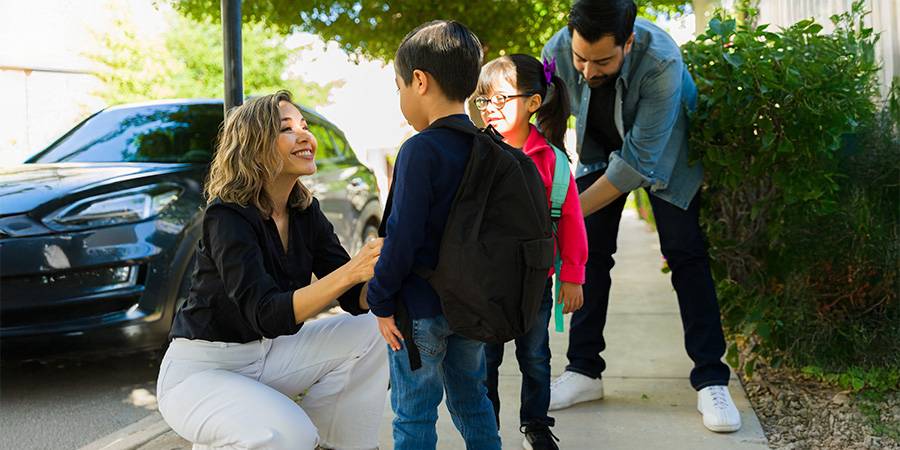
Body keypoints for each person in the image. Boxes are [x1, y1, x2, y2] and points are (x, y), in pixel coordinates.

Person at [541, 0, 742, 433]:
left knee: (685, 252)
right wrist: (548, 190)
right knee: (589, 252)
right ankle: (583, 371)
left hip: (666, 151)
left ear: (628, 43)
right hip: (597, 150)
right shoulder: (554, 51)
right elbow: (549, 122)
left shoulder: (662, 59)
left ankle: (711, 379)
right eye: (580, 58)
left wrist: (564, 213)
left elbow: (637, 162)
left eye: (602, 60)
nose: (588, 71)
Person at [156, 91, 389, 450]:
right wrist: (351, 271)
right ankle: (247, 432)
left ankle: (338, 443)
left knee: (372, 329)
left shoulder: (305, 212)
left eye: (304, 126)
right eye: (286, 128)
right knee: (289, 434)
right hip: (200, 373)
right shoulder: (227, 216)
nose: (304, 135)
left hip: (264, 358)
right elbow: (265, 312)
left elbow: (354, 298)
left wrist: (389, 271)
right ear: (256, 146)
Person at [365, 20, 502, 450]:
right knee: (473, 400)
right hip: (473, 306)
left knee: (414, 415)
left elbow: (401, 238)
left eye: (399, 85)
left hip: (419, 312)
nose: (401, 96)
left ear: (419, 81)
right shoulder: (491, 148)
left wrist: (380, 299)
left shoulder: (419, 150)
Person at [473, 53, 588, 450]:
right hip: (487, 283)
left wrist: (572, 275)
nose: (491, 109)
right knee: (484, 360)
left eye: (501, 99)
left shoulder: (552, 160)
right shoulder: (476, 154)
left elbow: (570, 218)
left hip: (537, 281)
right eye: (484, 100)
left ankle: (536, 424)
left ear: (534, 102)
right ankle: (484, 429)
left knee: (536, 358)